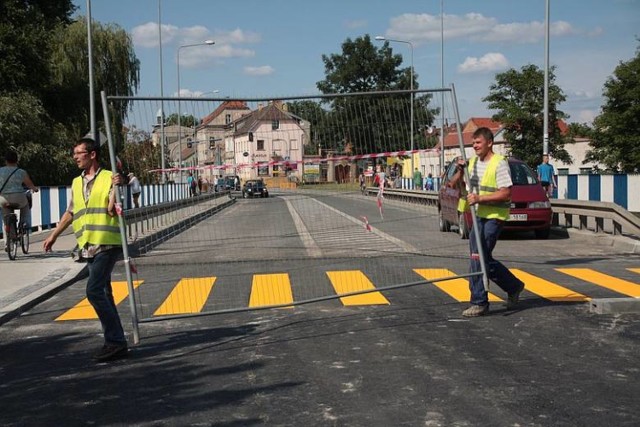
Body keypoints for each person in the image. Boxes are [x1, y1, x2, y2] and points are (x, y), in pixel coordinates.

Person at [43, 137, 128, 361]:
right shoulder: (76, 182)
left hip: (107, 242)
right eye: (74, 154)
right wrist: (53, 234)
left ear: (92, 155)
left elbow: (113, 209)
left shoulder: (110, 177)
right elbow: (71, 212)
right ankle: (116, 342)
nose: (75, 158)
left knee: (93, 290)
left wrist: (119, 185)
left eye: (79, 153)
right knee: (105, 294)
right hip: (88, 244)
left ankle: (116, 341)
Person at [449, 127, 525, 317]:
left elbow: (506, 193)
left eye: (478, 142)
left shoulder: (499, 163)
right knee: (482, 258)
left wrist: (480, 199)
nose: (474, 146)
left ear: (489, 143)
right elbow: (453, 184)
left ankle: (479, 302)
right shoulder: (472, 163)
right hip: (478, 216)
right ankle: (513, 286)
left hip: (494, 217)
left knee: (478, 256)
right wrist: (459, 171)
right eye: (473, 143)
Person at [1, 150, 39, 250]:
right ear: (16, 160)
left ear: (6, 161)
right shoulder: (21, 172)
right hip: (18, 198)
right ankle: (24, 224)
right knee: (26, 206)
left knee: (5, 219)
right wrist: (34, 189)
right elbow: (29, 184)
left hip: (3, 199)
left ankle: (8, 243)